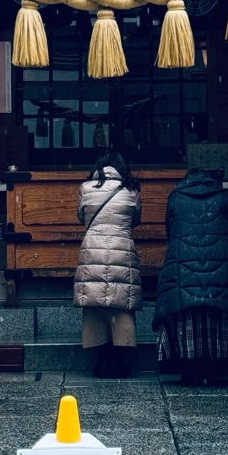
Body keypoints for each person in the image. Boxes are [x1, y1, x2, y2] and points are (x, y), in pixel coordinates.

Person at [153, 164, 228, 384]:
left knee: (186, 313)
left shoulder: (176, 196)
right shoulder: (220, 196)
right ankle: (214, 364)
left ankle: (189, 365)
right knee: (217, 310)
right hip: (219, 258)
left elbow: (171, 229)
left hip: (182, 259)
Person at [74, 151, 142, 378]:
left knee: (94, 304)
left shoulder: (86, 188)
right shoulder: (130, 190)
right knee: (122, 303)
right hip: (123, 247)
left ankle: (101, 361)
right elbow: (136, 219)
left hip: (92, 247)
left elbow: (81, 217)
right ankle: (120, 362)